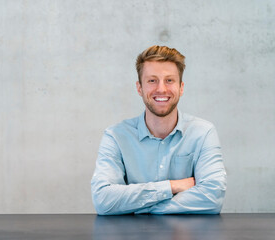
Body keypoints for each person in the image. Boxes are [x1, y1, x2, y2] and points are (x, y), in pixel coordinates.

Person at [91, 45, 227, 215]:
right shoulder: (116, 136)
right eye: (152, 80)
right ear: (139, 88)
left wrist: (144, 206)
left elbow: (212, 197)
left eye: (169, 80)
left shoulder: (203, 133)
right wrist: (172, 186)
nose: (161, 89)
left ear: (181, 87)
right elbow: (103, 199)